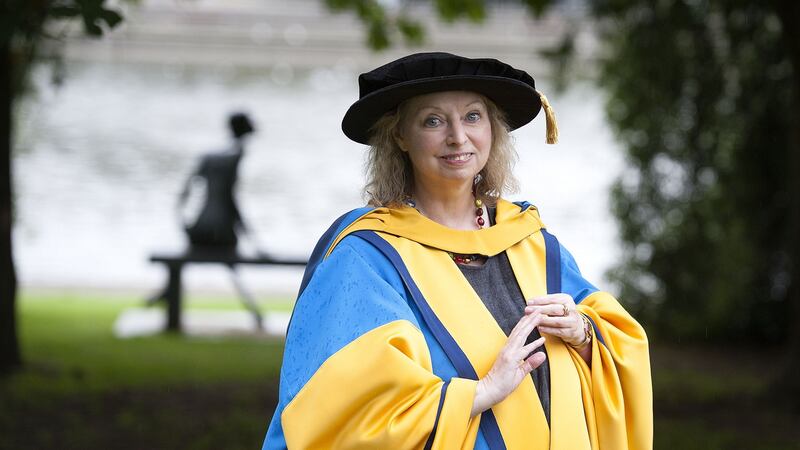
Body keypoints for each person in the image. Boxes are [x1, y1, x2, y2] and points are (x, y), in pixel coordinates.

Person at [262, 52, 652, 449]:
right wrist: (480, 393)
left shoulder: (527, 238)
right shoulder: (368, 256)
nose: (458, 137)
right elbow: (346, 409)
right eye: (433, 120)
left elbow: (617, 345)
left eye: (472, 116)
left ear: (493, 128)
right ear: (399, 135)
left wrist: (584, 334)